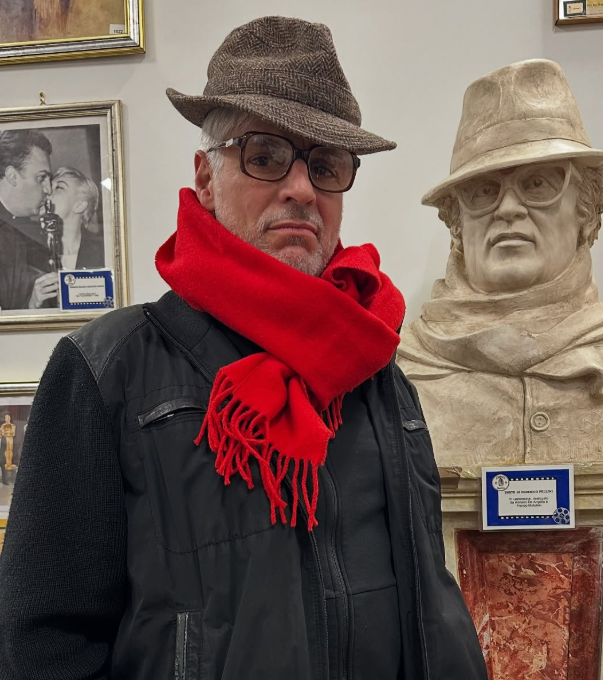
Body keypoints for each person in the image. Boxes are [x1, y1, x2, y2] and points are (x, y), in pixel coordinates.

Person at [0, 17, 486, 680]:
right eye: (264, 155)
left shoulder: (375, 370)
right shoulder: (108, 370)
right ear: (206, 177)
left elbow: (429, 602)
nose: (301, 189)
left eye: (325, 165)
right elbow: (46, 643)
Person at [398, 59, 603, 468]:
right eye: (484, 190)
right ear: (456, 223)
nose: (508, 208)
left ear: (585, 210)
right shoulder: (397, 369)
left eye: (538, 183)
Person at [0, 129, 59, 310]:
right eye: (41, 178)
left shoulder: (23, 232)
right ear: (12, 176)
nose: (48, 190)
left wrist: (32, 304)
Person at [49, 166, 104, 269]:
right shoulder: (30, 248)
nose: (47, 192)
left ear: (79, 206)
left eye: (59, 187)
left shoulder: (103, 251)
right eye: (49, 187)